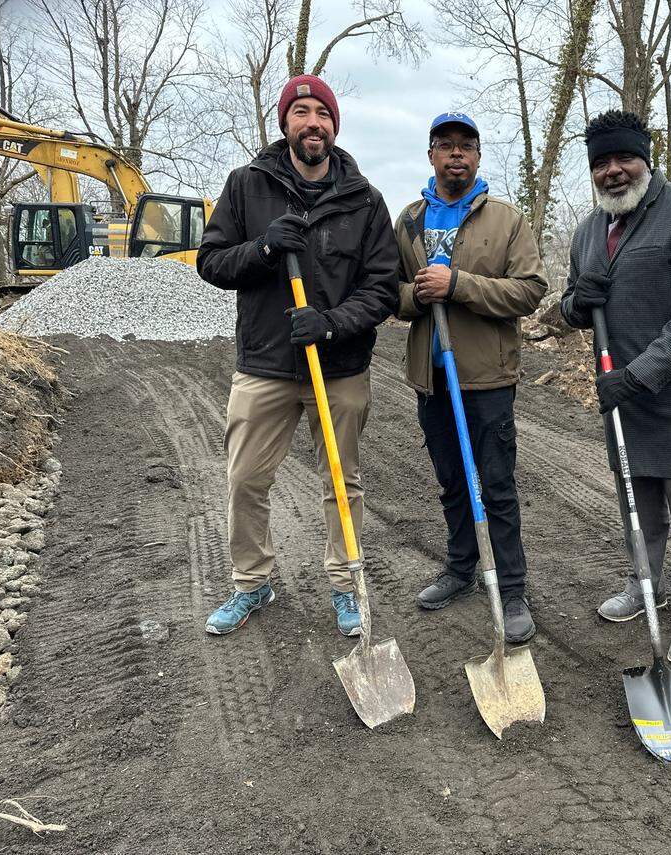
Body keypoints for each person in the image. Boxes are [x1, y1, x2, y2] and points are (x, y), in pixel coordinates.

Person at [197, 75, 399, 637]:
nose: (314, 123)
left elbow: (382, 287)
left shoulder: (365, 200)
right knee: (245, 477)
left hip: (339, 367)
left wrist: (331, 324)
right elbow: (211, 264)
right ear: (285, 123)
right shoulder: (246, 186)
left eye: (324, 114)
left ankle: (346, 585)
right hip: (265, 363)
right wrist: (263, 248)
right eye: (302, 112)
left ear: (335, 126)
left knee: (342, 480)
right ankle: (252, 581)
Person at [560, 110, 671, 664]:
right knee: (638, 503)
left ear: (645, 159)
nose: (612, 171)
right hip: (622, 397)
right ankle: (642, 586)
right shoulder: (589, 230)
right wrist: (577, 304)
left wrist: (637, 377)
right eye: (600, 163)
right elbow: (569, 307)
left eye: (622, 158)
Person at [394, 112, 548, 642]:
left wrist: (457, 283)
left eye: (466, 146)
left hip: (486, 378)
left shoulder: (506, 221)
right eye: (445, 145)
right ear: (431, 154)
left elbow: (529, 291)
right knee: (451, 483)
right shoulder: (409, 220)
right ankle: (461, 569)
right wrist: (418, 294)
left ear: (478, 157)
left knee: (497, 485)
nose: (456, 154)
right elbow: (390, 293)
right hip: (432, 377)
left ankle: (511, 588)